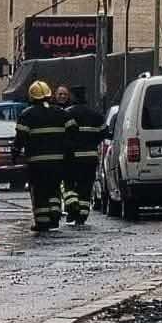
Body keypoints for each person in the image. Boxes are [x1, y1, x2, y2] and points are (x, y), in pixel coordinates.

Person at [14, 80, 71, 231]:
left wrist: (15, 154)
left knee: (40, 192)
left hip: (36, 164)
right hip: (58, 163)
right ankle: (55, 213)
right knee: (54, 189)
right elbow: (73, 134)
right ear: (49, 95)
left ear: (32, 97)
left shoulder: (26, 115)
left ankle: (42, 222)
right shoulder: (62, 114)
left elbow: (20, 139)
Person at [56, 83, 105, 225]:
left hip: (72, 157)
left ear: (72, 97)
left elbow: (61, 134)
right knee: (86, 187)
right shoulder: (95, 115)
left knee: (69, 184)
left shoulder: (66, 114)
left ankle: (72, 207)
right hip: (90, 157)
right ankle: (82, 215)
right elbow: (104, 133)